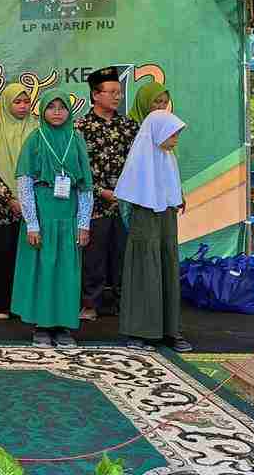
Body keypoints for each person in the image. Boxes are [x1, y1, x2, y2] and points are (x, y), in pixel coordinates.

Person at [12, 89, 94, 348]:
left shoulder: (76, 139)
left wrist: (83, 223)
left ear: (69, 111)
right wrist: (32, 223)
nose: (57, 112)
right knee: (43, 269)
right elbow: (24, 184)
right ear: (42, 110)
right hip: (43, 214)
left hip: (67, 216)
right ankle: (42, 326)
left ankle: (63, 326)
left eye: (62, 107)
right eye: (51, 107)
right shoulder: (35, 140)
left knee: (67, 270)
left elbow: (85, 185)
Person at [115, 111, 192, 352]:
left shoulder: (169, 157)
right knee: (143, 271)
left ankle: (170, 329)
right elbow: (127, 196)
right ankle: (138, 331)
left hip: (166, 217)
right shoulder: (139, 157)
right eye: (173, 133)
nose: (176, 138)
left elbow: (170, 189)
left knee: (167, 267)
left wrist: (176, 196)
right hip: (145, 217)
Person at [74, 67, 138, 321]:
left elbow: (139, 163)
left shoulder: (129, 126)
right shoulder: (80, 127)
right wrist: (101, 191)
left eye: (119, 92)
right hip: (93, 203)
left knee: (125, 255)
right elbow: (77, 168)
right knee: (94, 257)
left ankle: (127, 303)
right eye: (111, 92)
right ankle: (90, 303)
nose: (117, 97)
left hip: (125, 203)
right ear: (95, 95)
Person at [0, 84, 37, 320]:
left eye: (26, 102)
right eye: (17, 102)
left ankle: (25, 303)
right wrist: (11, 198)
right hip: (1, 205)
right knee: (2, 251)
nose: (23, 107)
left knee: (27, 253)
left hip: (33, 202)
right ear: (6, 104)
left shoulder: (38, 132)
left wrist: (28, 198)